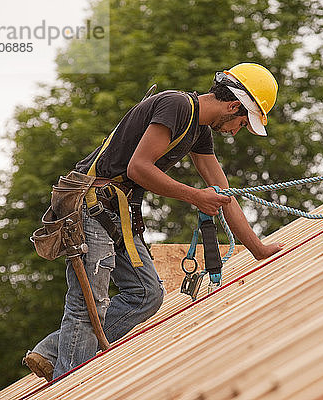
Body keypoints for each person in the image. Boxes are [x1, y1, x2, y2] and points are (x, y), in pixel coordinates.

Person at [23, 63, 284, 381]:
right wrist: (195, 197)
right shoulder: (176, 105)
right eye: (243, 122)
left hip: (116, 212)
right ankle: (70, 381)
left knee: (146, 293)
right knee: (88, 301)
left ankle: (53, 351)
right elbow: (139, 168)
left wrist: (259, 250)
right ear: (233, 106)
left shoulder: (198, 131)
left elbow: (224, 193)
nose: (236, 130)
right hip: (91, 202)